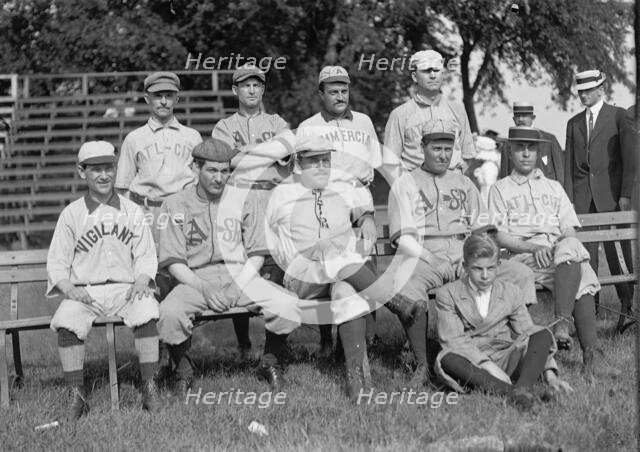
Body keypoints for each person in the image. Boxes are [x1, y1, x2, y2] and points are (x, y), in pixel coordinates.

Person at [388, 119, 537, 389]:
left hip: (464, 252)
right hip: (422, 253)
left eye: (448, 148)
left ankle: (517, 346)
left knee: (520, 273)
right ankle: (421, 363)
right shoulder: (405, 183)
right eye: (436, 148)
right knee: (406, 282)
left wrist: (473, 256)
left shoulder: (464, 182)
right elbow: (403, 237)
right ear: (423, 147)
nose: (443, 155)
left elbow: (484, 230)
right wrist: (434, 260)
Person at [156, 139, 300, 396]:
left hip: (241, 275)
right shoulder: (174, 204)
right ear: (195, 168)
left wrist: (237, 286)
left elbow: (256, 252)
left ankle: (268, 363)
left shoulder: (244, 199)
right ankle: (183, 370)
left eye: (225, 171)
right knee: (170, 312)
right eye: (212, 170)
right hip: (195, 278)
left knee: (286, 303)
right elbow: (173, 261)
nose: (220, 178)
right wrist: (205, 288)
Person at [265, 135, 405, 400]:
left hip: (338, 274)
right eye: (312, 161)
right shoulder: (283, 193)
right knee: (328, 249)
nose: (320, 166)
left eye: (325, 160)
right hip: (301, 278)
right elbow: (268, 242)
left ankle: (355, 380)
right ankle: (395, 302)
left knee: (346, 292)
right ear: (298, 163)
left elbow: (363, 208)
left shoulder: (339, 189)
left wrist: (366, 218)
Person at [489, 126, 620, 379]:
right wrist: (534, 247)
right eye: (519, 148)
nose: (526, 154)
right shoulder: (500, 189)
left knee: (571, 249)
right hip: (524, 257)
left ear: (538, 151)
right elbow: (499, 235)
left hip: (559, 254)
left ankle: (564, 326)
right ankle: (589, 352)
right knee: (581, 270)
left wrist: (558, 248)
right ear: (510, 151)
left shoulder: (554, 187)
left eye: (531, 148)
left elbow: (568, 229)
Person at [47, 141, 160, 420]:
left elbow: (146, 255)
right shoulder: (72, 214)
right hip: (86, 291)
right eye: (95, 169)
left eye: (108, 168)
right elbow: (57, 262)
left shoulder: (132, 211)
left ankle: (149, 387)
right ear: (81, 172)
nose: (103, 175)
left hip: (126, 288)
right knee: (66, 320)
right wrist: (70, 289)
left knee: (148, 310)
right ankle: (77, 395)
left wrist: (142, 280)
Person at [297, 65, 384, 356]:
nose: (339, 96)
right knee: (330, 264)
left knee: (364, 259)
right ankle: (327, 339)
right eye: (332, 91)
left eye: (344, 91)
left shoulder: (364, 122)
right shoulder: (309, 125)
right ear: (321, 94)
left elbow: (373, 161)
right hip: (326, 196)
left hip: (359, 194)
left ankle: (369, 338)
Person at [434, 233, 572, 411]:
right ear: (465, 266)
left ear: (498, 266)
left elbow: (527, 331)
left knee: (541, 334)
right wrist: (488, 366)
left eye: (490, 268)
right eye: (477, 269)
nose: (485, 276)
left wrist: (550, 375)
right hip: (472, 360)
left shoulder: (511, 291)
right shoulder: (448, 294)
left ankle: (522, 388)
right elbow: (453, 340)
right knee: (447, 358)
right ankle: (514, 392)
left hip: (507, 355)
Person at [211, 64, 291, 360]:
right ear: (235, 90)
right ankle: (244, 343)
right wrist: (266, 152)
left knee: (280, 265)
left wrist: (245, 155)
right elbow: (226, 161)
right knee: (241, 266)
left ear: (263, 89)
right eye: (246, 85)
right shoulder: (224, 126)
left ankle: (277, 343)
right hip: (240, 200)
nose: (252, 90)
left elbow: (287, 147)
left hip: (274, 197)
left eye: (257, 85)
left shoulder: (276, 120)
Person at [564, 69, 635, 324]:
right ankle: (589, 313)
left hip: (612, 199)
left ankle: (628, 307)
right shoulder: (573, 123)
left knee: (618, 254)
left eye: (588, 90)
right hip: (583, 202)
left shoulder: (618, 116)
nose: (583, 95)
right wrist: (568, 201)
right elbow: (569, 165)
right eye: (580, 91)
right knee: (586, 257)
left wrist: (625, 194)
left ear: (600, 89)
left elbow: (630, 159)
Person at [115, 72, 203, 242]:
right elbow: (123, 187)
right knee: (147, 264)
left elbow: (200, 184)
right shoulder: (134, 138)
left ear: (177, 99)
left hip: (183, 211)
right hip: (146, 212)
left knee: (185, 262)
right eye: (157, 96)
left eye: (169, 96)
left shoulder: (192, 137)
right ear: (147, 99)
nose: (163, 101)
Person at [383, 50, 476, 182]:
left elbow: (468, 155)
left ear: (442, 74)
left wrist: (454, 180)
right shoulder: (400, 114)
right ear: (415, 76)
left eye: (437, 70)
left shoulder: (457, 110)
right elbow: (390, 163)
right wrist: (408, 190)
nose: (433, 75)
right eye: (426, 71)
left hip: (451, 189)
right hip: (416, 190)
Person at [499, 102, 564, 184]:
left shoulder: (549, 140)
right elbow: (505, 177)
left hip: (546, 193)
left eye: (524, 116)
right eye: (517, 116)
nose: (520, 119)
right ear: (513, 119)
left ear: (533, 118)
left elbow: (560, 173)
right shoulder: (507, 145)